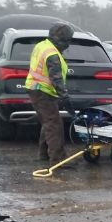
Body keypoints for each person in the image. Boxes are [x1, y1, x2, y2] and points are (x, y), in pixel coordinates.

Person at [25, 23, 75, 165]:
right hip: (42, 91)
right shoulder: (52, 54)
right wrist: (66, 100)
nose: (68, 45)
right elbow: (56, 79)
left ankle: (44, 154)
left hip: (37, 89)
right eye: (67, 41)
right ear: (60, 40)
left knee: (48, 122)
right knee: (54, 124)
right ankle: (58, 159)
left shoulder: (42, 45)